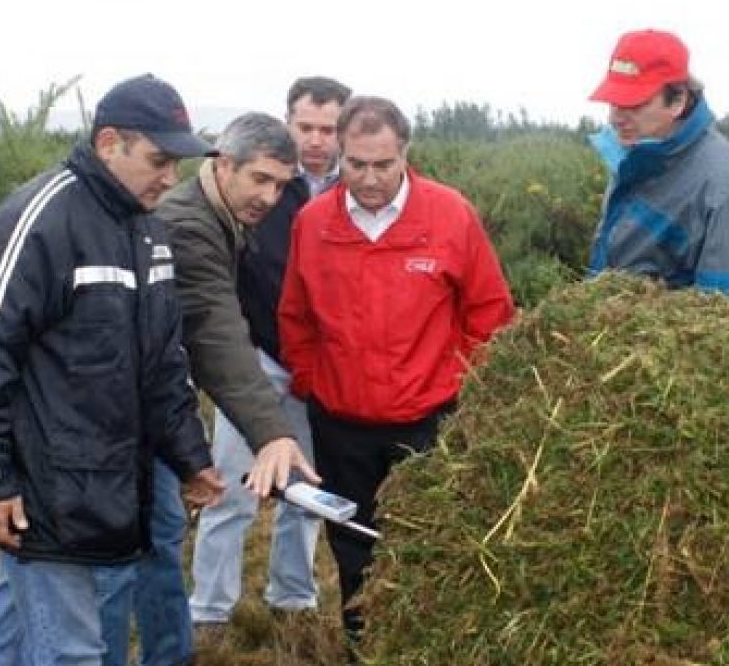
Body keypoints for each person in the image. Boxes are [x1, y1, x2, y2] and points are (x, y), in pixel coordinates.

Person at [0, 73, 227, 666]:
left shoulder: (147, 233)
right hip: (43, 490)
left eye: (177, 162)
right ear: (108, 143)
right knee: (71, 650)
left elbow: (164, 364)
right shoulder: (40, 220)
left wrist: (190, 458)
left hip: (107, 484)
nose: (171, 177)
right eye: (158, 159)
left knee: (12, 636)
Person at [277, 95, 515, 647]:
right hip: (342, 424)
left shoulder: (449, 214)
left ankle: (431, 646)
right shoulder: (313, 223)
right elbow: (295, 315)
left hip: (428, 421)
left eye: (383, 164)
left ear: (405, 153)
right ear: (340, 154)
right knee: (354, 544)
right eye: (355, 164)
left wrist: (463, 383)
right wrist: (313, 380)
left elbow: (489, 311)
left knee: (432, 539)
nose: (368, 178)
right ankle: (365, 645)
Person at [139, 110, 324, 664]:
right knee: (136, 551)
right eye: (259, 179)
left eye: (280, 185)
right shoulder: (191, 225)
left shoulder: (223, 215)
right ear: (223, 165)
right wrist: (270, 432)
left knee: (161, 533)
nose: (269, 197)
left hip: (151, 405)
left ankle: (172, 650)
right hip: (120, 416)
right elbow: (217, 332)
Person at [187, 77, 352, 630]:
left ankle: (293, 599)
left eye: (329, 129)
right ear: (287, 124)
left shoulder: (354, 192)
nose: (317, 140)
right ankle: (209, 612)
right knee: (233, 490)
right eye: (306, 126)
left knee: (305, 492)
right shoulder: (259, 191)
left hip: (317, 368)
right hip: (254, 359)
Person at [584, 28, 729, 299]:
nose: (616, 118)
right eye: (613, 103)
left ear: (677, 100)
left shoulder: (727, 186)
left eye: (633, 104)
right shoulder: (634, 155)